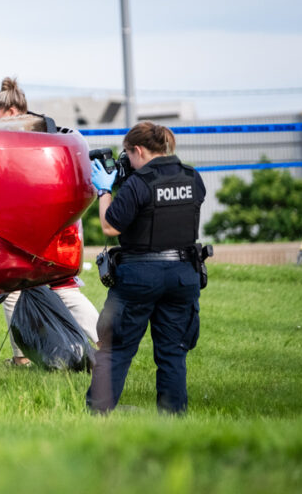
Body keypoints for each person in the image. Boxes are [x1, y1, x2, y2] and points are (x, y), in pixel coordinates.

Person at [86, 121, 206, 414]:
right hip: (183, 275)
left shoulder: (139, 184)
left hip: (139, 277)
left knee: (116, 348)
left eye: (128, 154)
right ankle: (173, 418)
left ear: (138, 149)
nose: (126, 161)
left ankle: (97, 414)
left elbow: (109, 225)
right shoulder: (193, 177)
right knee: (172, 353)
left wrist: (105, 191)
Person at [0, 77, 99, 366]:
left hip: (34, 223)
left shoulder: (17, 138)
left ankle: (22, 357)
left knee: (21, 291)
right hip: (58, 220)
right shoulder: (50, 130)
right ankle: (105, 344)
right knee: (63, 287)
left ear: (12, 112)